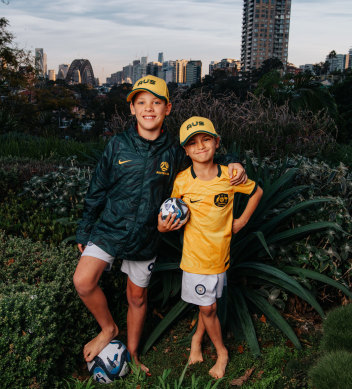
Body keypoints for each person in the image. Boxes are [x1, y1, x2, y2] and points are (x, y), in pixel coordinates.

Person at [72, 76, 247, 373]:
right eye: (141, 102)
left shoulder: (175, 151)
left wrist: (233, 162)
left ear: (167, 108)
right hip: (110, 228)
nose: (148, 108)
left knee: (136, 297)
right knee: (83, 281)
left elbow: (203, 159)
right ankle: (108, 329)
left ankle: (133, 354)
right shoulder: (117, 145)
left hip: (146, 235)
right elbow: (97, 189)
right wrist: (85, 228)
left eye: (156, 102)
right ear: (132, 108)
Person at [158, 116, 263, 379]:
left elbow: (257, 192)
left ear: (217, 142)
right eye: (192, 143)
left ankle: (196, 338)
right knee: (207, 308)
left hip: (221, 255)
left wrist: (240, 222)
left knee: (209, 304)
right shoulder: (182, 181)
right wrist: (162, 226)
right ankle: (222, 352)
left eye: (206, 139)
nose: (200, 146)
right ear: (185, 150)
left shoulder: (230, 175)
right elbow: (168, 214)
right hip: (194, 258)